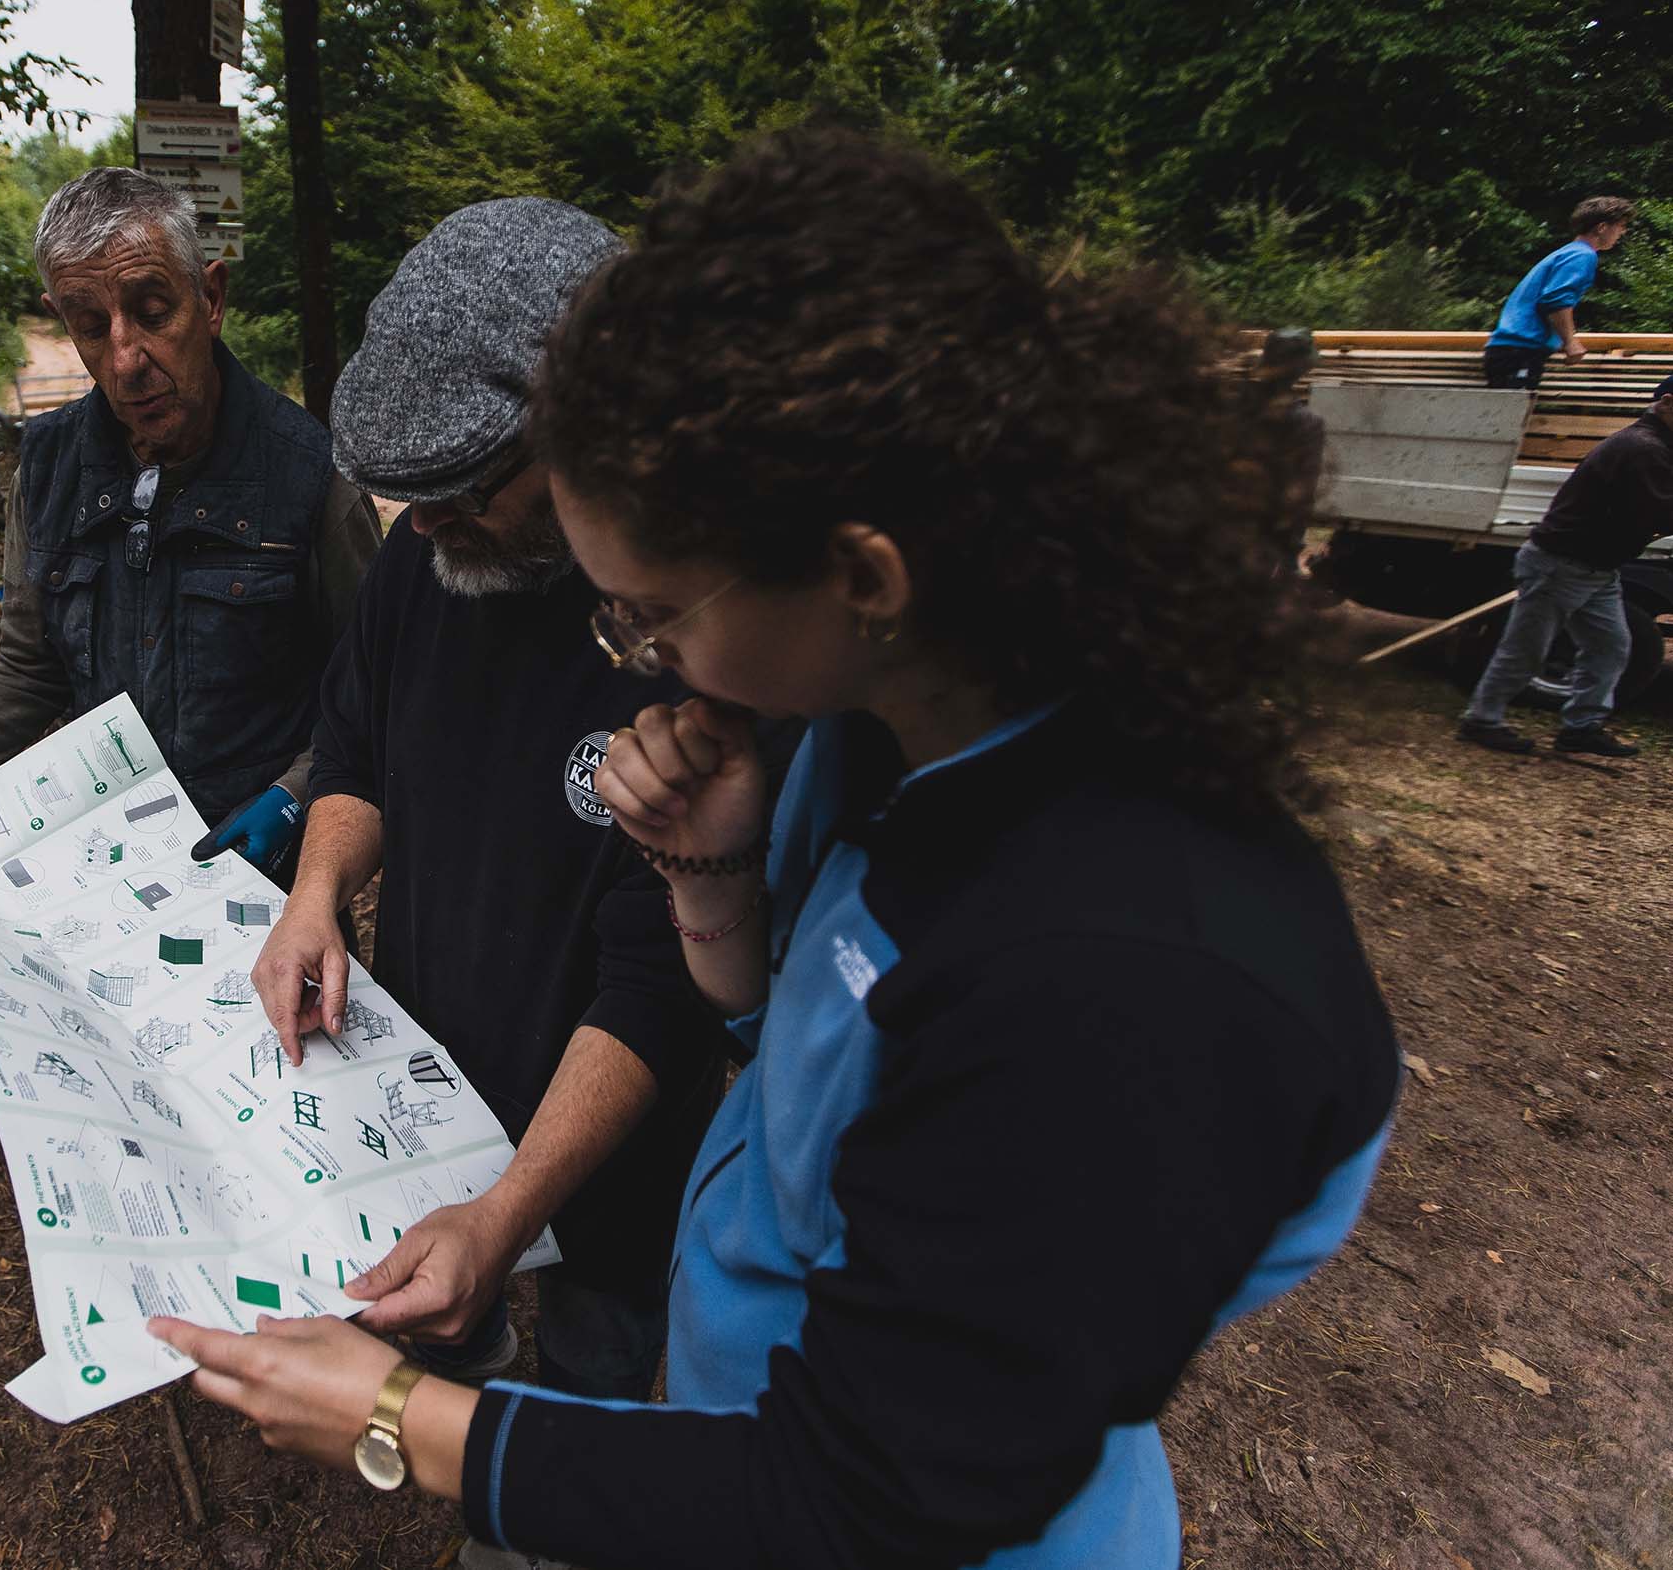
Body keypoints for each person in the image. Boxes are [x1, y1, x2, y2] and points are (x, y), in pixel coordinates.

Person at [148, 125, 1400, 1570]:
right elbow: (794, 1037)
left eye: (652, 611)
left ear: (865, 570)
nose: (641, 656)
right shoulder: (891, 733)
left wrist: (398, 1417)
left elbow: (854, 1500)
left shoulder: (1119, 976)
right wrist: (715, 872)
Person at [245, 201, 724, 1453]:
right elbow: (357, 752)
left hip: (598, 1145)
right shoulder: (429, 559)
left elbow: (661, 985)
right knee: (441, 1305)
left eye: (465, 491)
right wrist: (317, 892)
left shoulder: (681, 633)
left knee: (587, 1369)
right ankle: (474, 1345)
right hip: (422, 1077)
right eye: (411, 496)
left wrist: (512, 1208)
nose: (432, 520)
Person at [0, 168, 382, 876]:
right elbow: (26, 670)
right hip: (102, 885)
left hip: (270, 886)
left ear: (212, 297)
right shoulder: (47, 468)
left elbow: (374, 689)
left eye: (154, 311)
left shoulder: (311, 475)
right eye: (91, 326)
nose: (126, 359)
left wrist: (293, 797)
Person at [1457, 371, 1673, 756]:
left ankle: (1582, 727)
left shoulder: (1655, 445)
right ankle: (1481, 720)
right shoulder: (1644, 449)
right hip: (1562, 563)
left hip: (1597, 569)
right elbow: (1655, 512)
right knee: (1526, 649)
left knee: (1610, 647)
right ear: (1668, 403)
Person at [1483, 197, 1635, 390]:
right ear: (1602, 227)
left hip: (1511, 349)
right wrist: (1570, 342)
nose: (1623, 232)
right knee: (1508, 416)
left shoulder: (1567, 252)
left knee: (1507, 416)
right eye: (1621, 226)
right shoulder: (1582, 255)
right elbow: (1556, 300)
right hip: (1520, 350)